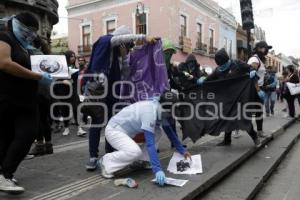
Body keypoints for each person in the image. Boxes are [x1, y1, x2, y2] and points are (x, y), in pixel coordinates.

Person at [84, 25, 155, 171]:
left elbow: (126, 74)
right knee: (97, 123)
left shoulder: (117, 55)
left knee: (111, 123)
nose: (128, 48)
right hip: (98, 91)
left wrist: (123, 57)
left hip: (112, 93)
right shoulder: (106, 40)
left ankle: (109, 154)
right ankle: (93, 156)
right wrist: (143, 37)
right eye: (127, 45)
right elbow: (119, 39)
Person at [0, 12, 52, 193]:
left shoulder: (27, 46)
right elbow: (4, 63)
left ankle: (5, 173)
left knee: (26, 135)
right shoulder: (4, 37)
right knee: (7, 138)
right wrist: (38, 76)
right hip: (7, 99)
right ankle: (4, 175)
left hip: (28, 100)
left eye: (33, 31)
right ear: (16, 24)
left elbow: (46, 62)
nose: (29, 34)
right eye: (26, 30)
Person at [99, 92, 191, 186]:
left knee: (157, 131)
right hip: (114, 130)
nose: (173, 114)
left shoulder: (159, 109)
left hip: (129, 132)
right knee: (134, 152)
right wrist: (157, 170)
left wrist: (182, 151)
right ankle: (106, 162)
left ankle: (142, 160)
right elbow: (150, 143)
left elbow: (170, 132)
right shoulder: (150, 112)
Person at [200, 48, 261, 147]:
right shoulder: (218, 71)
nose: (222, 67)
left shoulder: (237, 64)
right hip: (227, 100)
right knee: (227, 119)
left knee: (243, 119)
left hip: (240, 98)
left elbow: (251, 68)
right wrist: (202, 81)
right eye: (220, 66)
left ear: (227, 60)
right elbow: (208, 80)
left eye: (223, 65)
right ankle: (227, 140)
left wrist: (252, 72)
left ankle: (255, 138)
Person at [247, 41, 273, 138]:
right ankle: (243, 129)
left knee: (258, 111)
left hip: (259, 87)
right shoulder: (254, 59)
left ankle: (259, 131)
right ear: (258, 48)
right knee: (249, 111)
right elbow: (252, 75)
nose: (266, 50)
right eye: (265, 48)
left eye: (267, 49)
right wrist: (258, 90)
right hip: (253, 88)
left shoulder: (260, 60)